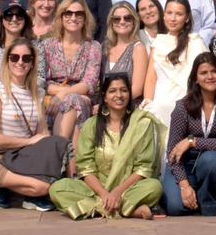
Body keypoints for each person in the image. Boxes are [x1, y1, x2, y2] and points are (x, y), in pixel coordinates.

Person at [49, 73, 162, 220]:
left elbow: (143, 169)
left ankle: (98, 208)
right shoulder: (92, 125)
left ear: (129, 94)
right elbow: (85, 168)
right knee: (57, 189)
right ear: (104, 97)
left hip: (128, 190)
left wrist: (116, 193)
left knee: (154, 187)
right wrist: (104, 194)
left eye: (124, 90)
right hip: (96, 190)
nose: (119, 95)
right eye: (113, 91)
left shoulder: (142, 124)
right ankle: (127, 210)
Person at [0, 37, 69, 210]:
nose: (20, 62)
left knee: (53, 179)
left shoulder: (38, 93)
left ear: (33, 63)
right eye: (14, 57)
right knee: (43, 187)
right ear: (7, 60)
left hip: (21, 157)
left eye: (26, 58)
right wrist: (28, 142)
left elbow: (43, 134)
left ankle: (7, 190)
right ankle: (12, 190)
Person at [161, 53, 216, 216]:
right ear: (196, 78)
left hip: (214, 160)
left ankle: (207, 197)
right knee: (176, 208)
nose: (210, 76)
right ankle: (193, 192)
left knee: (212, 160)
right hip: (185, 163)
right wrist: (184, 185)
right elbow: (172, 152)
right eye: (204, 73)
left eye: (214, 71)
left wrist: (192, 141)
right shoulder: (183, 107)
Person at [38, 0, 103, 141]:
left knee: (74, 101)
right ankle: (67, 161)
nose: (73, 18)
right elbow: (41, 81)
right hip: (49, 101)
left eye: (79, 14)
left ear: (85, 18)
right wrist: (63, 93)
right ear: (61, 17)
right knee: (74, 127)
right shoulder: (47, 45)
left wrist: (63, 95)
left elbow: (89, 83)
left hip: (81, 99)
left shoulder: (94, 47)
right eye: (68, 13)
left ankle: (55, 149)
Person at [143, 0, 206, 139]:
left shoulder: (196, 43)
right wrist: (148, 104)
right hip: (158, 108)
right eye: (169, 13)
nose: (173, 18)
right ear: (163, 15)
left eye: (178, 14)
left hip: (187, 107)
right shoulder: (158, 43)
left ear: (187, 18)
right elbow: (151, 79)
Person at [101, 1, 150, 99]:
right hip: (104, 104)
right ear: (111, 23)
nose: (122, 21)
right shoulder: (105, 47)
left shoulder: (138, 49)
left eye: (127, 18)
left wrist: (108, 103)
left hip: (128, 106)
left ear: (134, 22)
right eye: (116, 19)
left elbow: (137, 89)